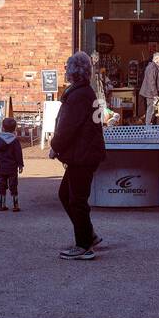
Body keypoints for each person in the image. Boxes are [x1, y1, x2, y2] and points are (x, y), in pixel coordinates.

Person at [49, 51, 106, 260]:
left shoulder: (77, 95)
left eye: (67, 67)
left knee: (77, 200)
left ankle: (83, 245)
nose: (65, 70)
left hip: (81, 156)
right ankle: (88, 235)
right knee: (67, 195)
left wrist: (55, 146)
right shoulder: (86, 92)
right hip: (85, 154)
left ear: (73, 71)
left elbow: (67, 128)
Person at [0, 116, 24, 212]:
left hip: (1, 166)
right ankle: (15, 205)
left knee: (2, 185)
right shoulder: (15, 140)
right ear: (14, 129)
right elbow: (18, 153)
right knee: (13, 185)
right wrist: (20, 165)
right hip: (12, 167)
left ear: (2, 128)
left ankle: (2, 204)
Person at [140, 52, 159, 125]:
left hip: (151, 93)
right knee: (151, 110)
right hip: (151, 94)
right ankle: (148, 128)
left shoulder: (153, 67)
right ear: (156, 59)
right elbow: (152, 82)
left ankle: (150, 126)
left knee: (152, 110)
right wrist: (155, 95)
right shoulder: (152, 68)